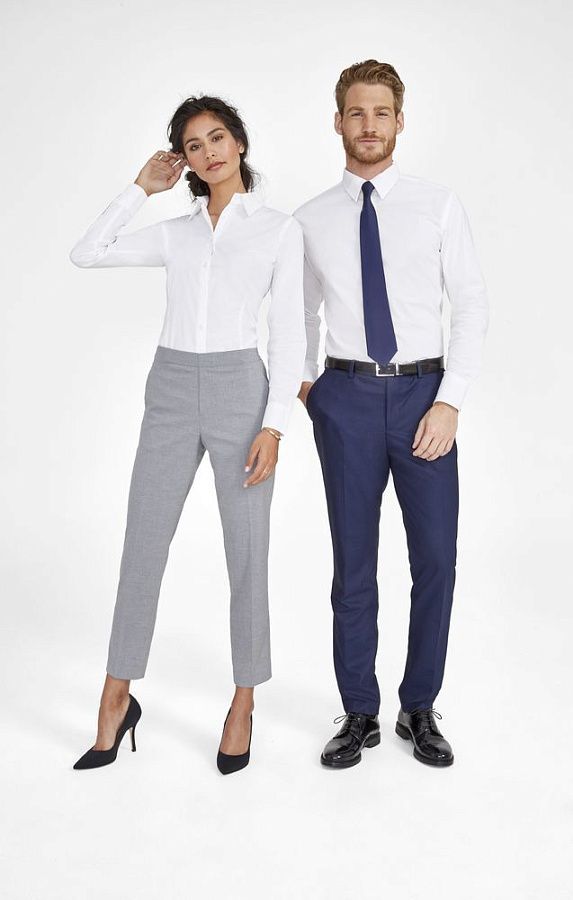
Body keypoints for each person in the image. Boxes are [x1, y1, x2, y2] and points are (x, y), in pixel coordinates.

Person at [69, 95, 306, 774]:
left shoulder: (279, 230)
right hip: (170, 388)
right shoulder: (176, 233)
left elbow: (289, 334)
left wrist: (275, 425)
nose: (209, 152)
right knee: (143, 544)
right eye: (194, 145)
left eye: (217, 137)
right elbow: (87, 254)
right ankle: (116, 695)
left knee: (246, 551)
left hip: (241, 389)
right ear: (186, 160)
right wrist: (139, 189)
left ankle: (244, 701)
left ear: (240, 142)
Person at [294, 60, 489, 769]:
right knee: (353, 564)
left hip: (422, 397)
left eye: (381, 112)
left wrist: (450, 399)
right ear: (338, 121)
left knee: (435, 558)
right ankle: (359, 710)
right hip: (345, 397)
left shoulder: (437, 205)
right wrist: (311, 388)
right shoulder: (311, 218)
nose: (369, 125)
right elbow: (297, 313)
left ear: (400, 121)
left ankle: (418, 706)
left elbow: (470, 302)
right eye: (356, 112)